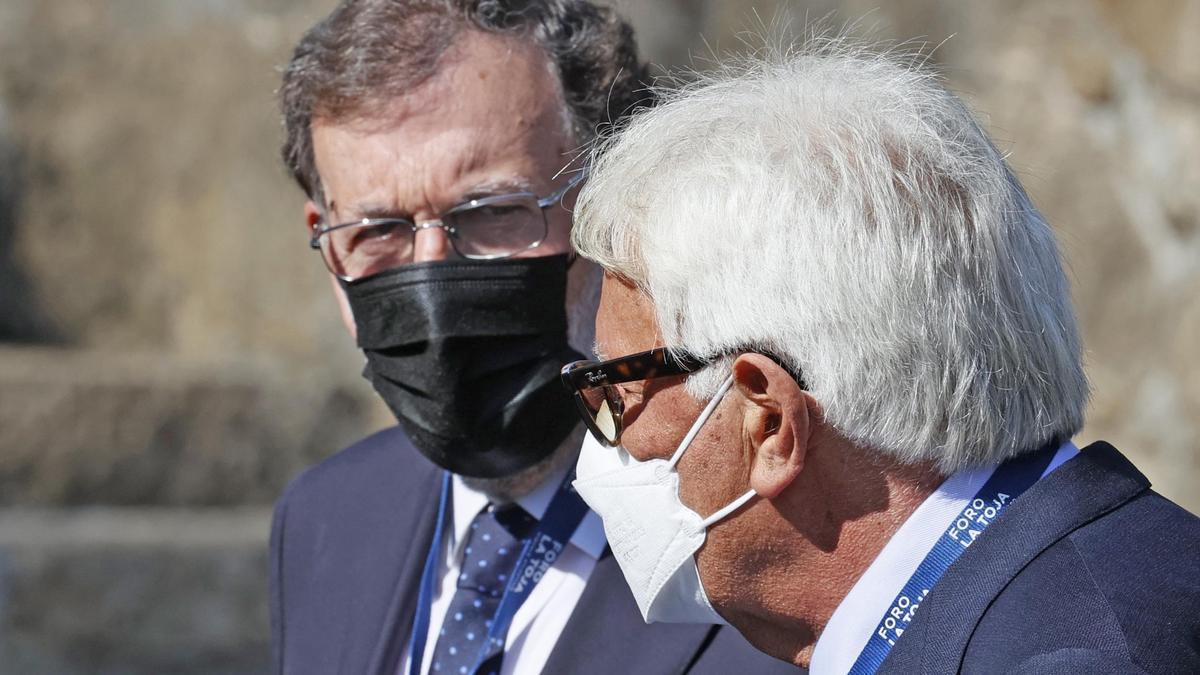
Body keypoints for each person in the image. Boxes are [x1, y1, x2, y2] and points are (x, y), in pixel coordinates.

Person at [562, 43, 1200, 673]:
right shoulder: (1086, 588)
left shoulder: (1068, 657)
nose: (602, 438)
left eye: (612, 389)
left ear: (769, 421)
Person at [270, 2, 798, 674]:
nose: (433, 280)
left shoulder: (772, 551)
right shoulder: (325, 519)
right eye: (379, 231)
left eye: (494, 213)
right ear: (328, 247)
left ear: (613, 203)